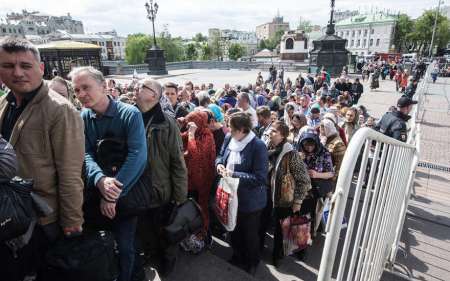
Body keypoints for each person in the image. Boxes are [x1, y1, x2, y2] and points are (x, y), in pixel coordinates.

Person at [0, 37, 85, 281]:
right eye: (8, 65)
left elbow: (70, 172)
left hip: (42, 220)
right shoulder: (4, 104)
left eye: (25, 66)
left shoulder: (60, 110)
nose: (17, 73)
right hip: (10, 215)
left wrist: (71, 222)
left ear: (41, 69)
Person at [70, 66, 147, 281]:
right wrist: (100, 180)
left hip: (125, 195)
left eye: (86, 87)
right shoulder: (83, 117)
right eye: (76, 90)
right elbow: (85, 154)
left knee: (125, 246)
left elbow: (138, 156)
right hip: (97, 194)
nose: (81, 94)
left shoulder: (129, 113)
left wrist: (111, 193)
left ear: (104, 86)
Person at [134, 78, 187, 276]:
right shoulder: (129, 116)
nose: (135, 89)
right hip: (135, 190)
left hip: (159, 191)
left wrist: (180, 198)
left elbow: (178, 163)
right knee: (143, 230)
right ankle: (149, 255)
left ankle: (168, 261)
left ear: (154, 95)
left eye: (141, 87)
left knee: (165, 229)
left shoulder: (167, 123)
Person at [216, 112, 268, 275]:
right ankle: (237, 255)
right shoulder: (228, 138)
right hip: (231, 195)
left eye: (232, 129)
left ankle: (251, 261)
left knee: (249, 234)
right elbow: (219, 156)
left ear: (243, 129)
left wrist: (233, 174)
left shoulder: (258, 146)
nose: (229, 131)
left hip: (249, 201)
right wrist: (218, 165)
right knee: (233, 229)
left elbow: (260, 178)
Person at [268, 121, 311, 267]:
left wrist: (298, 201)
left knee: (281, 232)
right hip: (269, 196)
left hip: (284, 200)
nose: (270, 133)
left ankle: (277, 256)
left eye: (274, 131)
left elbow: (304, 180)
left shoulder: (291, 154)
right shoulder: (269, 147)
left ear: (283, 135)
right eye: (270, 130)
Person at [180, 111, 216, 252]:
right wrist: (179, 125)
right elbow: (178, 139)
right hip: (191, 180)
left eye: (192, 123)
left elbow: (194, 155)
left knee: (201, 209)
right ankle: (192, 236)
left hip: (202, 182)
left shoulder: (207, 136)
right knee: (191, 210)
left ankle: (203, 238)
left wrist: (190, 134)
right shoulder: (196, 132)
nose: (189, 127)